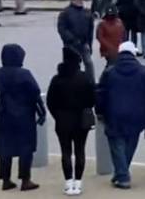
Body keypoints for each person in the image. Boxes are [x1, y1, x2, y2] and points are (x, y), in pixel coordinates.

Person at [96, 41, 145, 189]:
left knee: (117, 145)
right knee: (130, 143)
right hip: (138, 115)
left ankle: (122, 175)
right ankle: (121, 173)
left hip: (114, 114)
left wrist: (99, 111)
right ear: (134, 54)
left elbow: (100, 93)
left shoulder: (110, 72)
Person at [0, 43, 45, 192]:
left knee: (5, 148)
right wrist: (42, 111)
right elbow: (35, 93)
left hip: (4, 114)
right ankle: (25, 179)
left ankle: (6, 179)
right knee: (25, 148)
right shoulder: (24, 74)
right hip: (24, 114)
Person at [46, 47, 96, 196]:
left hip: (62, 120)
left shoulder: (57, 79)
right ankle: (78, 183)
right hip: (81, 120)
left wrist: (57, 115)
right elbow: (92, 99)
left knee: (65, 151)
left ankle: (68, 183)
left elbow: (50, 101)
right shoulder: (85, 78)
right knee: (80, 151)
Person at [57, 0, 95, 81]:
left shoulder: (87, 13)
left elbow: (90, 30)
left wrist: (90, 44)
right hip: (71, 45)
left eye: (81, 0)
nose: (80, 2)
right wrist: (70, 39)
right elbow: (62, 28)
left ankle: (91, 83)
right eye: (78, 0)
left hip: (84, 43)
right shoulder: (65, 13)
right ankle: (71, 83)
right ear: (73, 0)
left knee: (89, 63)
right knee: (72, 65)